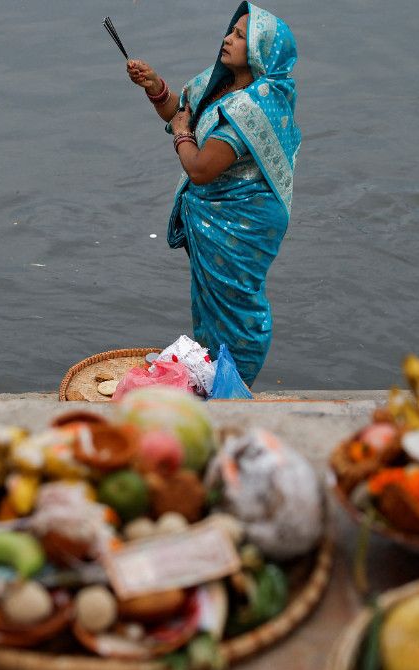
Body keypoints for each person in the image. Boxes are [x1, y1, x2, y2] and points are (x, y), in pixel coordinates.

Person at [125, 3, 299, 386]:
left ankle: (237, 381)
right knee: (210, 301)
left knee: (238, 305)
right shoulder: (220, 82)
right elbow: (181, 112)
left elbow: (201, 169)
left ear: (259, 51)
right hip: (217, 215)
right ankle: (212, 374)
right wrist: (155, 87)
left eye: (239, 36)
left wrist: (183, 133)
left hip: (244, 218)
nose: (227, 38)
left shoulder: (256, 106)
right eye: (231, 30)